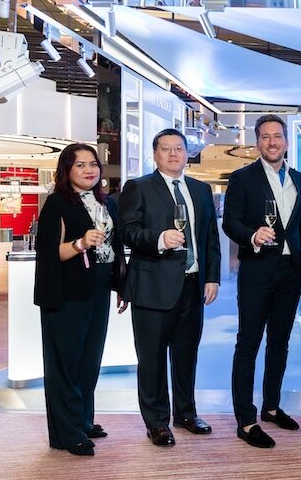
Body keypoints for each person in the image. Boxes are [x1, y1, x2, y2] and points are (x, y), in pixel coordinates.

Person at [118, 129, 221, 448]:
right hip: (152, 286)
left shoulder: (201, 190)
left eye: (179, 148)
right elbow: (127, 231)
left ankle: (186, 414)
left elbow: (210, 237)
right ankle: (157, 423)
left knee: (186, 355)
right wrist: (159, 239)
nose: (173, 153)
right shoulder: (139, 187)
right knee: (151, 360)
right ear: (155, 154)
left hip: (192, 285)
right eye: (166, 149)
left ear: (187, 153)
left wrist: (212, 277)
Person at [223, 114, 301, 449]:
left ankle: (271, 407)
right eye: (265, 136)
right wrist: (252, 235)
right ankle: (246, 420)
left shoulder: (300, 179)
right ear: (257, 142)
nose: (272, 142)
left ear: (286, 141)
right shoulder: (242, 178)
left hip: (291, 272)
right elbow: (230, 222)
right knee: (248, 344)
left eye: (277, 136)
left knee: (280, 342)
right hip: (257, 270)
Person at [34, 143, 125, 457]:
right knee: (66, 365)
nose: (89, 170)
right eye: (80, 165)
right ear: (67, 170)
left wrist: (120, 285)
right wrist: (81, 243)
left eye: (93, 164)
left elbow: (115, 248)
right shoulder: (57, 203)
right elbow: (49, 253)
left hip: (98, 287)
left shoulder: (106, 202)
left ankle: (83, 421)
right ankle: (67, 433)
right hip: (67, 291)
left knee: (89, 361)